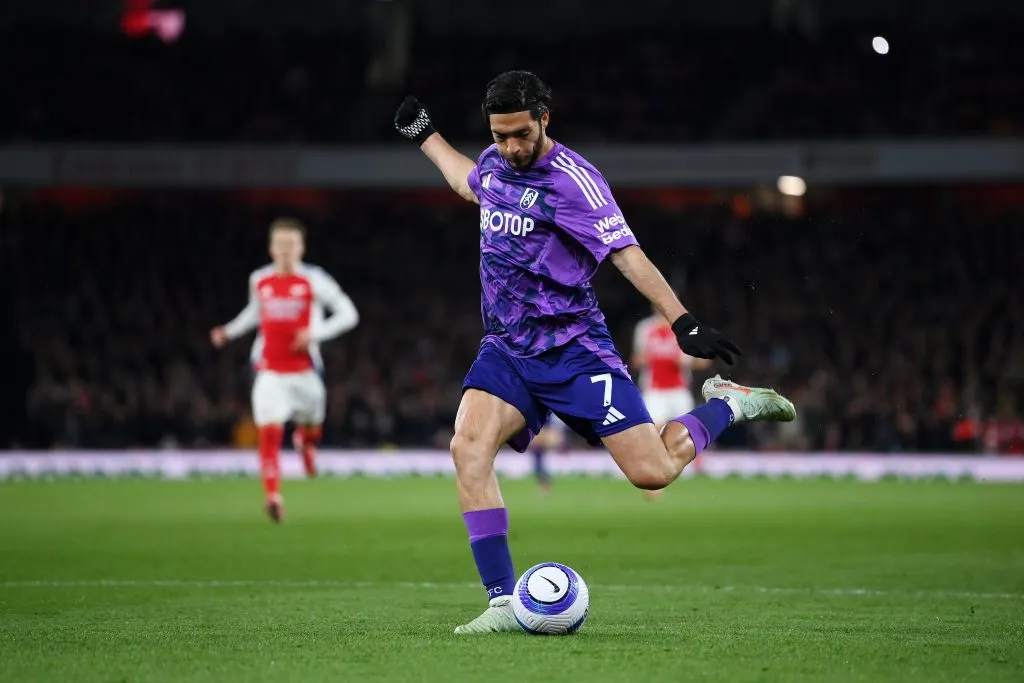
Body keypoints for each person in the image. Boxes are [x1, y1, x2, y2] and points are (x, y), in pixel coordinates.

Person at [393, 71, 795, 633]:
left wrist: (681, 321)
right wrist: (426, 136)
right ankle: (504, 604)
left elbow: (626, 254)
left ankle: (729, 403)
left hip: (574, 350)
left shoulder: (576, 183)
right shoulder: (496, 163)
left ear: (544, 119)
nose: (510, 148)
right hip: (508, 347)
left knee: (652, 472)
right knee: (468, 448)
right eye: (500, 135)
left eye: (520, 135)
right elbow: (469, 181)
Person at [210, 218, 359, 523]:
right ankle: (273, 496)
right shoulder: (260, 280)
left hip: (305, 371)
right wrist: (228, 331)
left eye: (291, 244)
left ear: (301, 248)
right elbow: (255, 312)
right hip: (269, 371)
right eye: (280, 244)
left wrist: (314, 334)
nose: (285, 250)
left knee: (313, 426)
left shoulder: (315, 280)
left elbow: (349, 314)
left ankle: (306, 445)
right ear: (271, 248)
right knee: (269, 433)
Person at [632, 304, 713, 499]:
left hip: (679, 390)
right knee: (654, 433)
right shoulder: (645, 329)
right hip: (654, 390)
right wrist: (645, 360)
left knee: (688, 433)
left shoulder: (686, 329)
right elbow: (636, 359)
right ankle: (655, 480)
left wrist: (687, 361)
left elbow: (704, 360)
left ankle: (694, 470)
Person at [527, 414, 568, 493]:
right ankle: (545, 484)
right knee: (538, 465)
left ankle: (545, 485)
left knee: (538, 466)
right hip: (540, 437)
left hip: (542, 435)